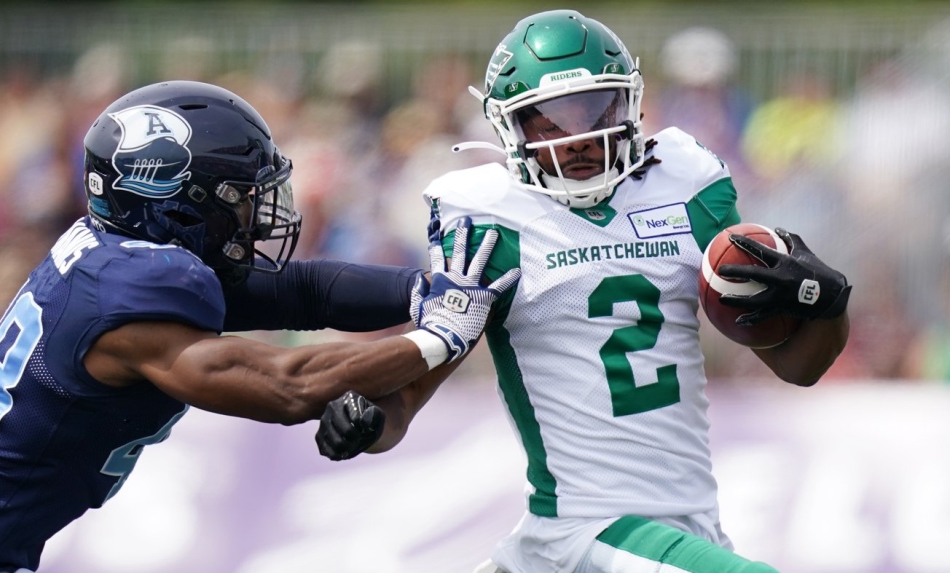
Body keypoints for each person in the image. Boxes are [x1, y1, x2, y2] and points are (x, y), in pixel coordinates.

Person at [315, 10, 851, 573]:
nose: (578, 138)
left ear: (631, 104)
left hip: (688, 529)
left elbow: (799, 367)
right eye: (547, 121)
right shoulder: (491, 220)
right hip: (584, 532)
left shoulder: (686, 183)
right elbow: (406, 398)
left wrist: (827, 303)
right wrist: (367, 421)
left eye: (594, 109)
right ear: (507, 128)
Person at [0, 80, 519, 573]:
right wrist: (439, 336)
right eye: (239, 196)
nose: (256, 215)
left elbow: (303, 291)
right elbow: (288, 385)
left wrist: (424, 291)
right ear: (176, 200)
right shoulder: (132, 297)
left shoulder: (123, 258)